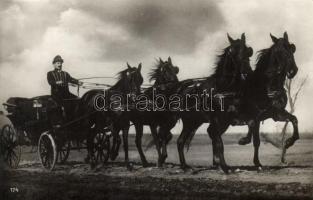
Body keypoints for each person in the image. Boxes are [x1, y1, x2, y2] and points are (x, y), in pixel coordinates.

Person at [47, 55, 82, 120]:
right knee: (65, 106)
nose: (59, 64)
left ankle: (76, 117)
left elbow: (71, 79)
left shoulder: (65, 73)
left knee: (79, 100)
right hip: (56, 95)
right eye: (58, 63)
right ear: (54, 64)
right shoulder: (50, 73)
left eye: (60, 63)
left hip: (66, 94)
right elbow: (50, 82)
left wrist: (78, 82)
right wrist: (57, 82)